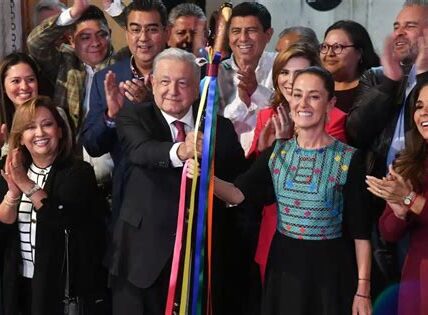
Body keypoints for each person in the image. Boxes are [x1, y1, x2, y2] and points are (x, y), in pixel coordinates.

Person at [195, 66, 372, 315]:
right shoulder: (277, 153)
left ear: (330, 103)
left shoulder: (349, 159)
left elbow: (360, 232)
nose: (303, 103)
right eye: (297, 95)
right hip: (284, 268)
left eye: (314, 96)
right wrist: (206, 178)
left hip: (331, 272)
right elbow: (238, 194)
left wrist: (362, 290)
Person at [108, 47, 245, 315]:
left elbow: (237, 184)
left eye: (183, 83)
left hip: (201, 263)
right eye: (165, 82)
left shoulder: (221, 129)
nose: (173, 90)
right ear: (152, 83)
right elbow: (141, 151)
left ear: (198, 89)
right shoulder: (134, 116)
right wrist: (183, 149)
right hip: (140, 260)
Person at [346, 1, 428, 301]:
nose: (399, 34)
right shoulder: (376, 76)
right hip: (379, 196)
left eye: (409, 26)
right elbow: (357, 130)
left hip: (419, 195)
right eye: (396, 27)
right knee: (384, 289)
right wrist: (391, 80)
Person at [247, 43, 348, 284]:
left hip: (315, 236)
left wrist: (283, 145)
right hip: (272, 224)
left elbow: (323, 176)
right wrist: (265, 149)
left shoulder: (335, 118)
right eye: (284, 72)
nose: (291, 80)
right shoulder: (266, 114)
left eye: (300, 73)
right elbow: (253, 177)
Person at [0, 96, 106, 314]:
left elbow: (62, 220)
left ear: (60, 130)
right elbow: (4, 226)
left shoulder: (78, 172)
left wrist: (25, 183)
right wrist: (12, 193)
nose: (39, 133)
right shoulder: (9, 167)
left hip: (59, 289)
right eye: (30, 127)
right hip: (16, 283)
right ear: (20, 137)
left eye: (47, 124)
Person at [82, 0, 169, 224]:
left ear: (166, 31)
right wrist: (111, 116)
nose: (143, 38)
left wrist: (149, 104)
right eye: (135, 29)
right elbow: (92, 145)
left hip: (176, 189)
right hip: (128, 196)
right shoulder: (107, 78)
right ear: (127, 33)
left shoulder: (186, 72)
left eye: (152, 29)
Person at [366, 79, 428, 315]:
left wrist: (410, 199)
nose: (424, 113)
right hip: (417, 276)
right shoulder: (408, 163)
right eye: (420, 106)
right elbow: (388, 232)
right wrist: (400, 212)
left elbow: (411, 200)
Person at [217, 1, 275, 155]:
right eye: (236, 31)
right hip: (229, 162)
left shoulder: (281, 66)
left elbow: (287, 111)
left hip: (272, 158)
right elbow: (216, 126)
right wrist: (242, 102)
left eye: (251, 30)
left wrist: (256, 91)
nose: (243, 38)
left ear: (268, 35)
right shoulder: (217, 72)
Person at [321, 20, 380, 113]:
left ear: (359, 53)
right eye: (325, 47)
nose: (329, 53)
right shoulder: (317, 87)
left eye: (337, 47)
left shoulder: (374, 90)